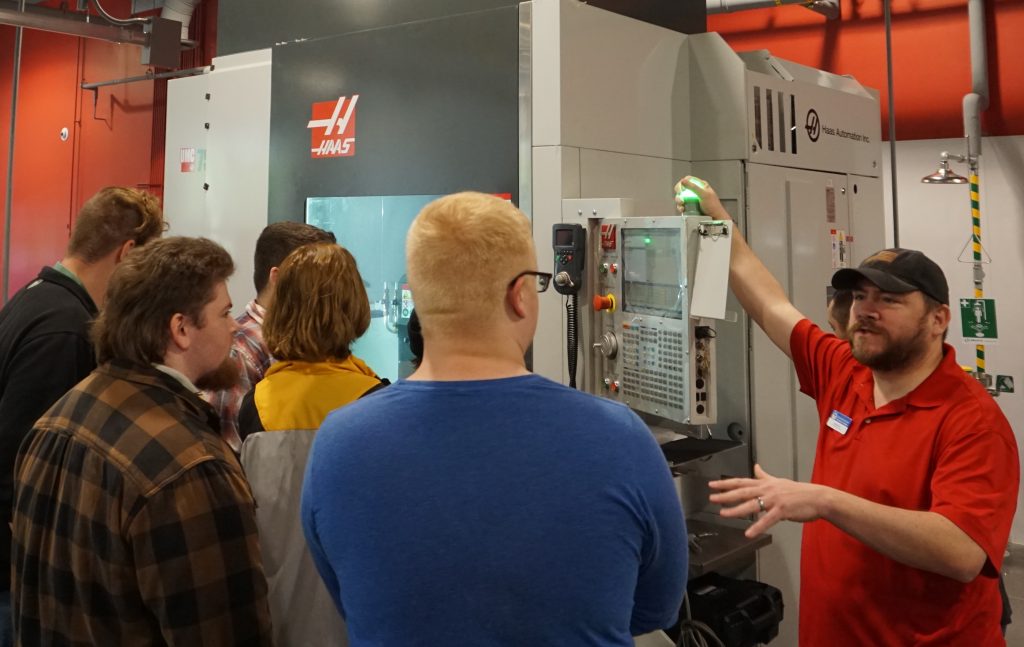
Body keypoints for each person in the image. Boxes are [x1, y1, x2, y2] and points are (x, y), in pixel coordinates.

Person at [301, 192, 688, 646]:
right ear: (520, 295)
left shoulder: (339, 444)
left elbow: (350, 600)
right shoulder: (619, 438)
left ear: (421, 297)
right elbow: (655, 609)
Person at [675, 176, 1019, 646]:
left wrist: (826, 501)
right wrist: (716, 221)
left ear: (938, 320)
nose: (865, 311)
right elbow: (769, 302)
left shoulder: (971, 420)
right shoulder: (845, 372)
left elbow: (961, 551)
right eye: (859, 297)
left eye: (889, 300)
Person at [11, 237, 273, 646]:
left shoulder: (54, 421)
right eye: (223, 313)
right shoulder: (190, 466)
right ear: (181, 329)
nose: (235, 326)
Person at [0, 186, 163, 646]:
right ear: (126, 253)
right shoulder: (66, 328)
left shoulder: (35, 298)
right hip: (16, 578)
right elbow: (20, 464)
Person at [237, 242, 385, 647]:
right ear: (355, 307)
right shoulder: (376, 404)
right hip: (352, 624)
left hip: (272, 620)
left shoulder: (256, 406)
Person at [207, 221, 336, 451]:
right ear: (277, 278)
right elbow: (234, 455)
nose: (330, 290)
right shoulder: (241, 352)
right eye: (316, 277)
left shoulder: (307, 345)